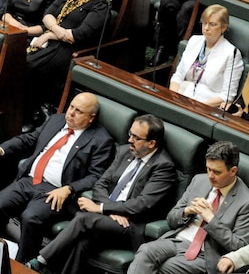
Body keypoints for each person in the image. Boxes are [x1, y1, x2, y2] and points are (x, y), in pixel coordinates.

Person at [26, 115, 178, 274]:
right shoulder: (125, 151)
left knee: (83, 218)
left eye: (136, 137)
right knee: (83, 242)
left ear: (151, 143)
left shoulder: (163, 167)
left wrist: (102, 208)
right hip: (108, 218)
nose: (130, 140)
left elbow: (142, 204)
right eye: (130, 134)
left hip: (130, 225)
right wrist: (110, 210)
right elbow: (100, 184)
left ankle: (40, 261)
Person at [0, 92, 115, 263]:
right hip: (29, 180)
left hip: (55, 191)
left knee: (30, 218)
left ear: (91, 118)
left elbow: (96, 176)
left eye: (79, 111)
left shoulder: (101, 140)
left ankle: (23, 265)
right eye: (71, 107)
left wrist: (69, 189)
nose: (71, 113)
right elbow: (29, 139)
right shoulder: (56, 121)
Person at [127, 141, 249, 274]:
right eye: (208, 169)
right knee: (145, 251)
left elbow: (240, 245)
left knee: (166, 267)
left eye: (217, 172)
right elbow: (171, 219)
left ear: (233, 171)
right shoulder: (199, 180)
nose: (210, 176)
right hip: (177, 240)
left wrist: (211, 220)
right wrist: (186, 212)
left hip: (206, 255)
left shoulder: (247, 202)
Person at [26, 0, 109, 111]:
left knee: (30, 64)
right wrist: (54, 30)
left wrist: (50, 35)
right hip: (54, 39)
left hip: (72, 49)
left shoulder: (100, 6)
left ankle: (36, 110)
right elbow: (48, 15)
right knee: (17, 58)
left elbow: (78, 35)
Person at [169, 4, 243, 107]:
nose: (206, 28)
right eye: (204, 23)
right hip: (180, 97)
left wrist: (196, 107)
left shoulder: (232, 54)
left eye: (212, 24)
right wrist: (172, 98)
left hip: (206, 106)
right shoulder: (194, 40)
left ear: (224, 27)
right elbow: (177, 77)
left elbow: (227, 96)